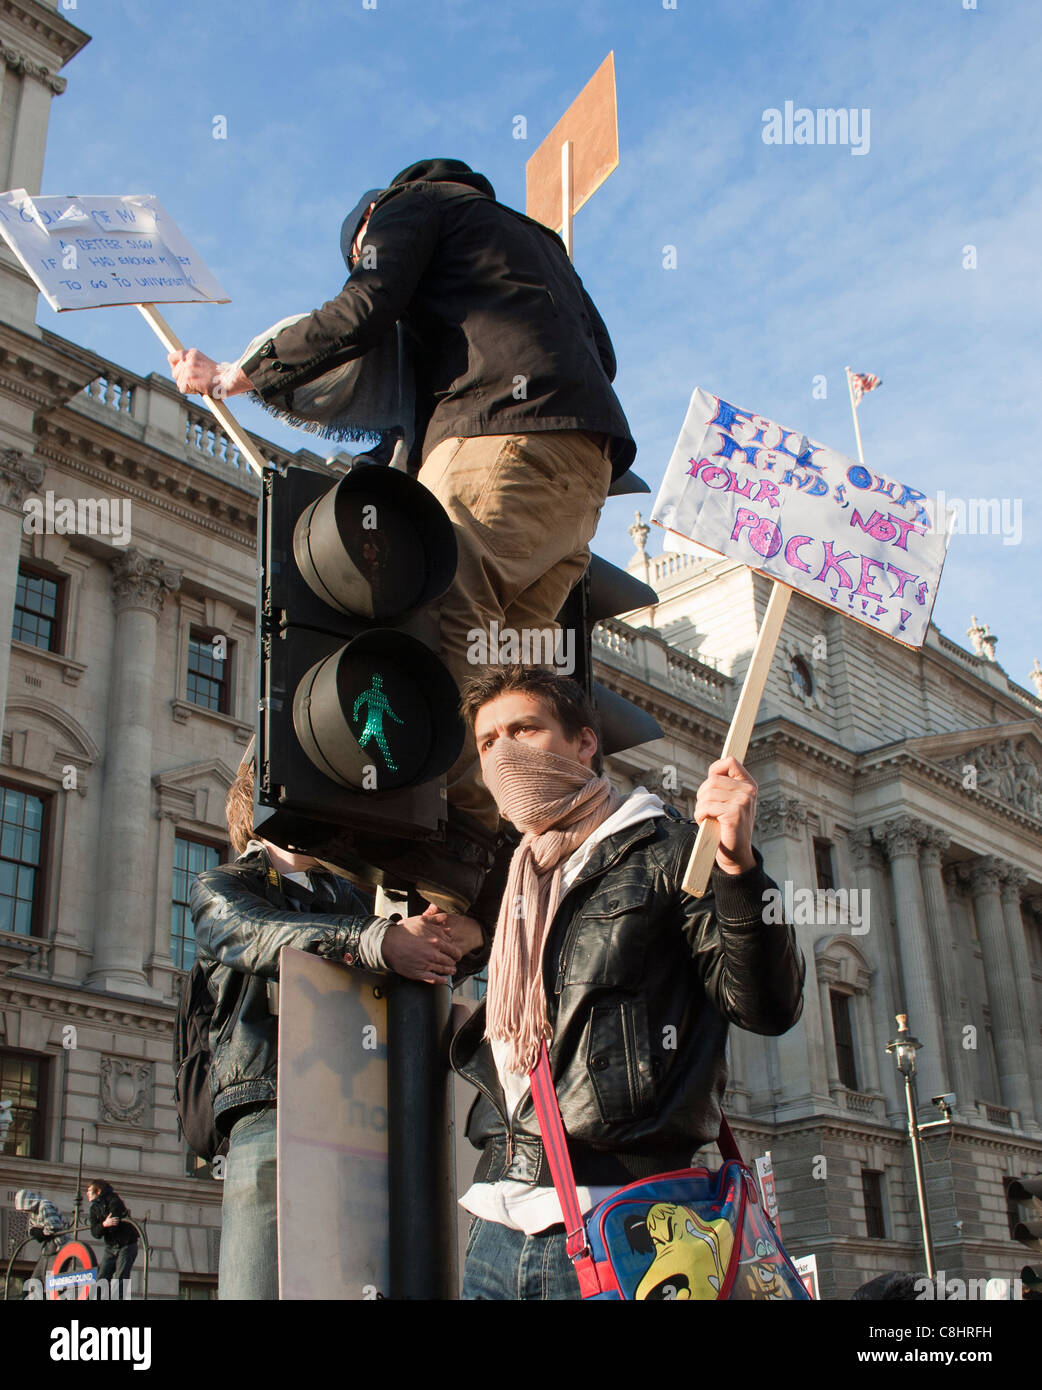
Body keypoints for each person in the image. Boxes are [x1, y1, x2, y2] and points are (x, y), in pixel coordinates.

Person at [168, 158, 634, 904]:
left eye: (360, 248)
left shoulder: (409, 206)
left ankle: (466, 839)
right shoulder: (536, 239)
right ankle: (495, 843)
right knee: (507, 673)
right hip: (584, 469)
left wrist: (238, 372)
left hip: (498, 440)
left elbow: (366, 305)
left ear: (367, 226)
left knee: (439, 623)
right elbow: (602, 356)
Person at [448, 666, 806, 1300]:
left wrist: (737, 865)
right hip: (498, 1223)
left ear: (586, 743)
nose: (503, 753)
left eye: (524, 729)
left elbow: (767, 1005)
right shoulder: (521, 876)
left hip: (629, 1216)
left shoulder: (670, 850)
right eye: (487, 742)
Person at [191, 747, 487, 1299]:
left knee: (358, 1279)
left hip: (365, 1110)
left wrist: (470, 935)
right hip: (272, 1106)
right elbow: (255, 934)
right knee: (264, 1279)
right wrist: (376, 940)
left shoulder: (357, 894)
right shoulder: (222, 887)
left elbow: (423, 956)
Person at [85, 1179, 137, 1297]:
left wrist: (103, 1225)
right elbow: (95, 1232)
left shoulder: (114, 1200)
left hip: (126, 1244)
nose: (87, 1193)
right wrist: (104, 1224)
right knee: (101, 1278)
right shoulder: (94, 1208)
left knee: (120, 1278)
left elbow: (114, 1222)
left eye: (89, 1190)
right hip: (111, 1246)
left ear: (98, 1191)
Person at [15, 1189, 69, 1298]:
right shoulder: (34, 1211)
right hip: (47, 1249)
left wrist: (40, 1232)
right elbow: (31, 1229)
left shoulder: (45, 1206)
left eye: (24, 1208)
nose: (24, 1211)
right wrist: (39, 1232)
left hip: (57, 1247)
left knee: (50, 1281)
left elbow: (54, 1226)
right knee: (35, 1280)